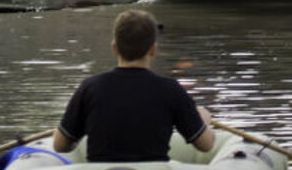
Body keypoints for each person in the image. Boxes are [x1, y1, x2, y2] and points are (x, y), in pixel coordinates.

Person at [53, 10, 215, 162]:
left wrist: (76, 133)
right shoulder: (171, 90)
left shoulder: (90, 88)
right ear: (153, 49)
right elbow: (205, 145)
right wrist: (204, 121)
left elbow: (60, 146)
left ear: (114, 48)